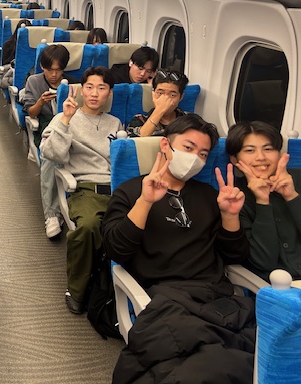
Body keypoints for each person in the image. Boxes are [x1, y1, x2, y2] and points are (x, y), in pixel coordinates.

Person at [102, 114, 254, 382]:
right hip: (164, 298)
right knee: (217, 363)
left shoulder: (210, 195)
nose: (195, 158)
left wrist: (230, 216)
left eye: (203, 154)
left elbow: (234, 256)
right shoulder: (130, 191)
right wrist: (146, 201)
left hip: (214, 296)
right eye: (188, 147)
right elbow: (117, 251)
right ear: (165, 145)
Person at [40, 66, 123, 313]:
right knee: (88, 227)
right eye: (89, 87)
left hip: (116, 188)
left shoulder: (115, 123)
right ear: (81, 90)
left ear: (110, 93)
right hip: (86, 188)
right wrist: (65, 119)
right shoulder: (64, 118)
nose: (95, 93)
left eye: (101, 88)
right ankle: (76, 290)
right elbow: (51, 154)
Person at [226, 121, 301, 280]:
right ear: (234, 159)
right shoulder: (234, 198)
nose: (261, 157)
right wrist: (262, 201)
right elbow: (264, 261)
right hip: (277, 286)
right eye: (249, 150)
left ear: (279, 153)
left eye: (268, 149)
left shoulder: (298, 179)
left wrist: (291, 197)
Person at [23, 45, 80, 238]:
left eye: (58, 70)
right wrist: (41, 101)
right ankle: (52, 215)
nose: (54, 75)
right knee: (50, 155)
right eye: (49, 69)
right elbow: (31, 113)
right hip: (46, 127)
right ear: (42, 66)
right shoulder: (34, 81)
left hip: (70, 128)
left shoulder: (74, 85)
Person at [126, 68, 189, 137]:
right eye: (160, 93)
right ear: (153, 94)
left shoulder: (189, 120)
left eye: (172, 95)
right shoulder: (139, 120)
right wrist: (159, 110)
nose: (165, 99)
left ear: (181, 97)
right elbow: (137, 141)